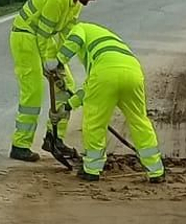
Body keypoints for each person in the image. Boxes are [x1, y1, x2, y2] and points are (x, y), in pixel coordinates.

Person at [8, 0, 104, 164]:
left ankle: (54, 138)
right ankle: (20, 145)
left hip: (41, 39)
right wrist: (48, 61)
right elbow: (43, 33)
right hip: (25, 37)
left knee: (66, 86)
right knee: (33, 92)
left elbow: (68, 36)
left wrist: (60, 61)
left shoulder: (75, 4)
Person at [60, 20, 166, 184]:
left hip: (105, 76)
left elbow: (75, 41)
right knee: (139, 120)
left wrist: (58, 61)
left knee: (94, 122)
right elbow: (90, 88)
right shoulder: (106, 39)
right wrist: (68, 105)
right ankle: (156, 170)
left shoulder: (78, 28)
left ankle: (92, 169)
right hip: (133, 73)